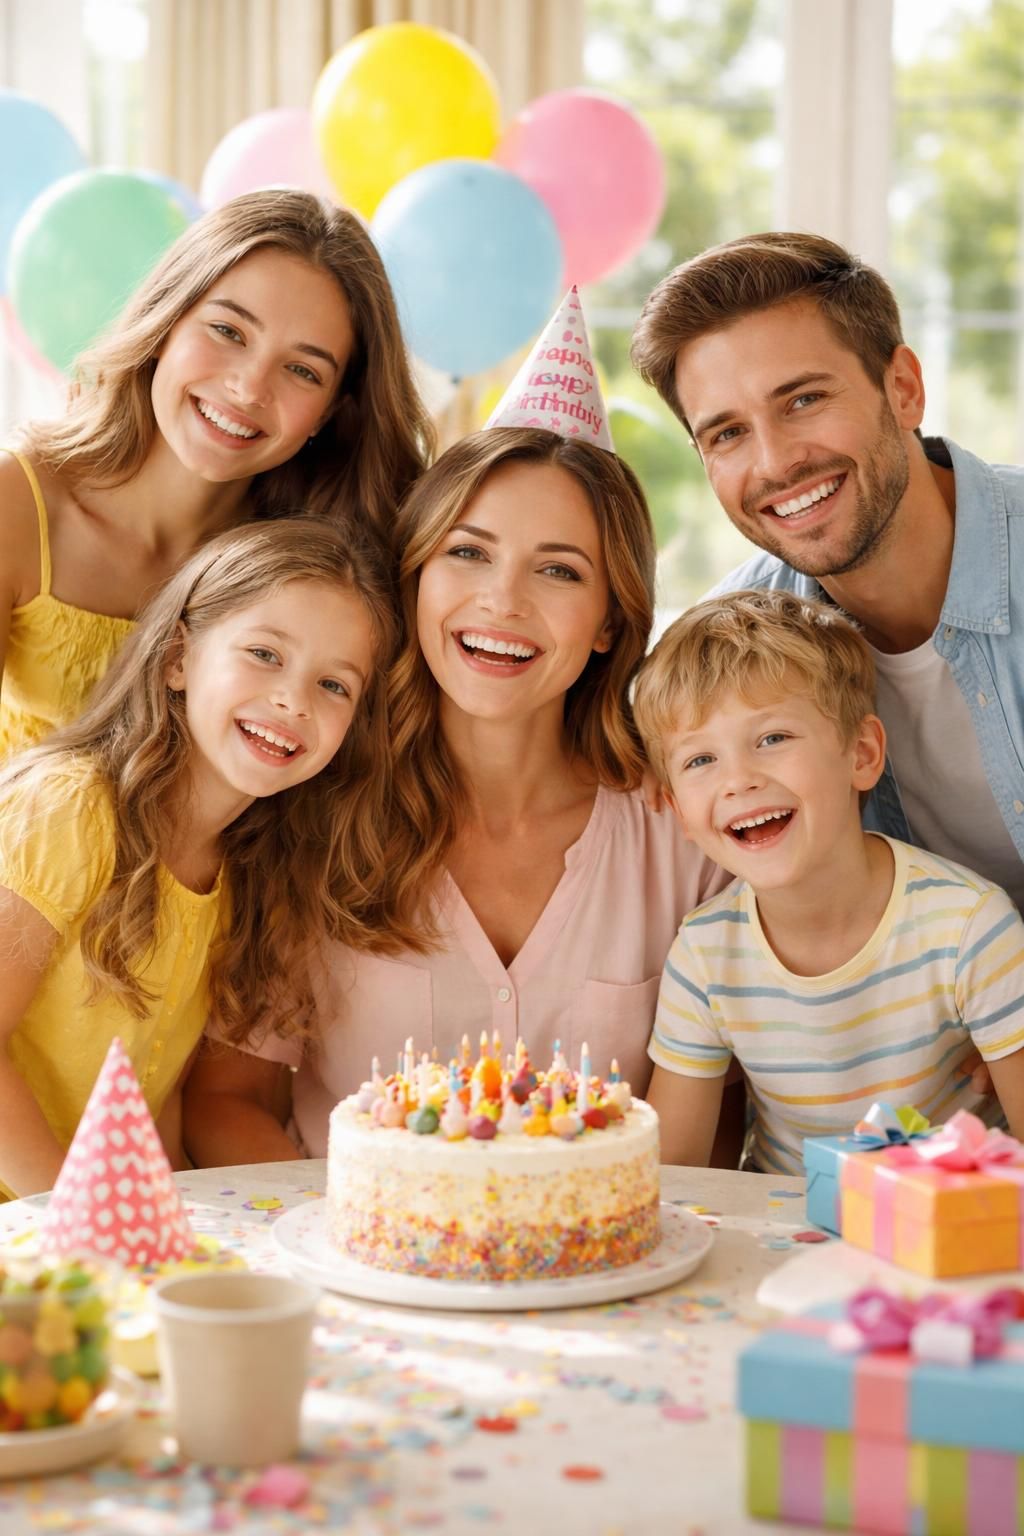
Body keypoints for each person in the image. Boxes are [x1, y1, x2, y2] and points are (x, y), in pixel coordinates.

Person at [184, 426, 726, 1163]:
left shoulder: (684, 834)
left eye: (559, 570)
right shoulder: (314, 815)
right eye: (468, 553)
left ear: (609, 621)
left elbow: (717, 1125)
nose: (503, 600)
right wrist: (359, 1219)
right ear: (414, 579)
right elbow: (226, 1099)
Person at [0, 516, 412, 1198]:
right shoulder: (68, 808)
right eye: (265, 654)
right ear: (177, 659)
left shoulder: (242, 873)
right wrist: (72, 1229)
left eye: (334, 685)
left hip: (104, 1229)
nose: (292, 699)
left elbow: (153, 1099)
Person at [630, 230, 1024, 911]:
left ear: (903, 389)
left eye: (804, 400)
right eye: (728, 433)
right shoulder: (728, 652)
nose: (775, 463)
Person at [0, 188, 432, 757]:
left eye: (302, 370)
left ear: (330, 412)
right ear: (166, 323)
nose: (249, 388)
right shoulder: (16, 503)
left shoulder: (329, 568)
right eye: (228, 331)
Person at [632, 589, 1024, 1172]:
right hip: (778, 1224)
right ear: (678, 811)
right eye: (700, 760)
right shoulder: (703, 955)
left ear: (861, 754)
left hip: (948, 1220)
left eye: (772, 739)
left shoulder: (969, 928)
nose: (738, 780)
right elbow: (670, 1178)